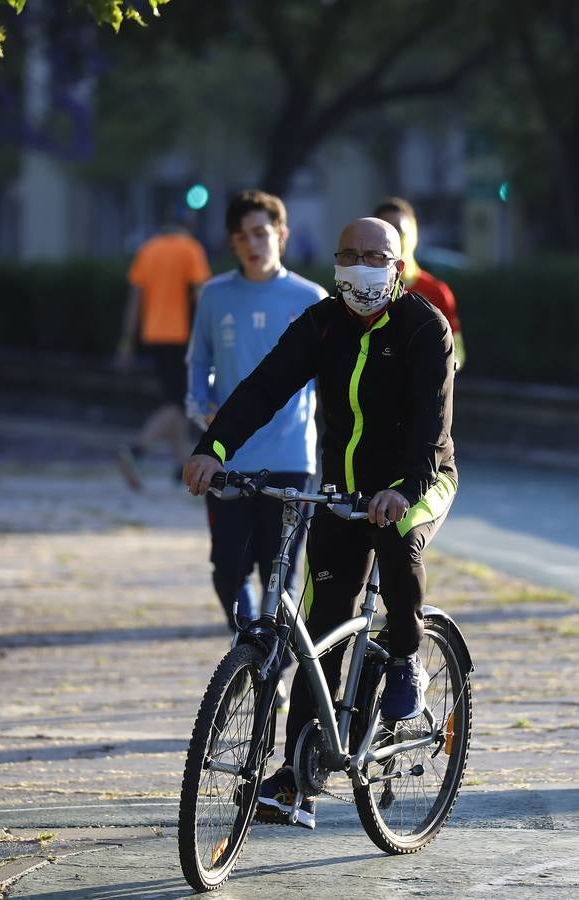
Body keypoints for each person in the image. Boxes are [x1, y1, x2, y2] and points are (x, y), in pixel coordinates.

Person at [184, 217, 457, 830]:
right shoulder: (323, 321)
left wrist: (401, 488)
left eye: (374, 256)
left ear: (396, 264)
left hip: (421, 480)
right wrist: (214, 448)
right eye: (349, 255)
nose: (361, 266)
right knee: (318, 626)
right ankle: (295, 779)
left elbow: (429, 430)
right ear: (335, 263)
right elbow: (264, 387)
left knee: (396, 537)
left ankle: (406, 654)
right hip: (341, 489)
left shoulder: (423, 328)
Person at [186, 190, 327, 708]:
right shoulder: (215, 296)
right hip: (228, 457)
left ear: (281, 235)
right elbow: (197, 361)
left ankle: (276, 668)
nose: (252, 243)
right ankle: (251, 645)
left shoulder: (311, 298)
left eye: (261, 232)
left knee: (280, 574)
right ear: (232, 242)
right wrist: (199, 404)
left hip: (291, 456)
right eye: (242, 235)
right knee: (228, 568)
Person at [115, 213, 211, 489]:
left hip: (153, 335)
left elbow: (135, 300)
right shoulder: (191, 249)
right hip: (183, 336)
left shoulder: (148, 250)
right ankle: (138, 449)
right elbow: (202, 296)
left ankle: (181, 464)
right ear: (189, 226)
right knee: (180, 403)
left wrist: (126, 342)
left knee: (175, 398)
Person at [374, 196, 466, 370]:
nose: (394, 238)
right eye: (387, 230)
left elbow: (457, 348)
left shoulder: (436, 291)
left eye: (400, 229)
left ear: (414, 233)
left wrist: (447, 365)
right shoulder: (356, 289)